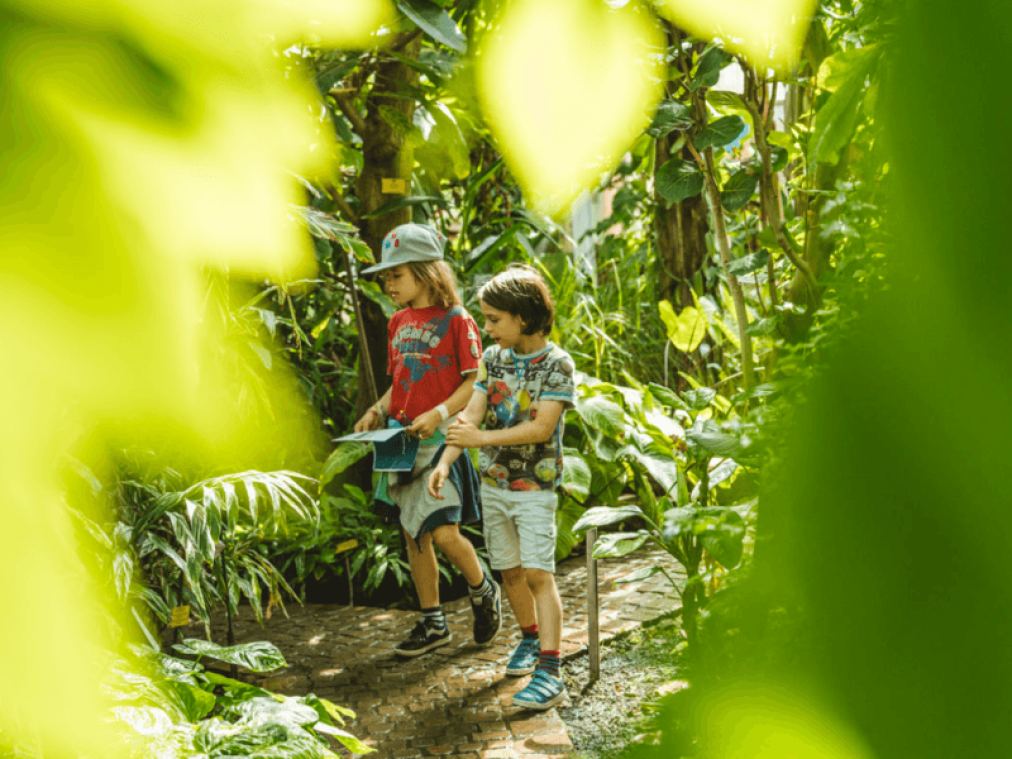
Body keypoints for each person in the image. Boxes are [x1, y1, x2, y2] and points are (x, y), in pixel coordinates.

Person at [427, 264, 576, 711]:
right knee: (509, 571)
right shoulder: (492, 360)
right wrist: (445, 460)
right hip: (495, 486)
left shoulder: (557, 363)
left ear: (524, 317)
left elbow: (540, 427)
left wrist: (478, 441)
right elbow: (469, 417)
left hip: (535, 488)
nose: (486, 327)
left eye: (494, 319)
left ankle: (551, 670)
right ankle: (530, 639)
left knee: (537, 574)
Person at [353, 223, 501, 658]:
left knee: (443, 532)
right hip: (401, 440)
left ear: (425, 271)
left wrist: (437, 412)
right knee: (412, 532)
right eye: (385, 277)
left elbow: (474, 382)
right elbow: (398, 383)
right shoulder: (397, 322)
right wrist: (376, 410)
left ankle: (482, 587)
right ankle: (433, 621)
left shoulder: (459, 320)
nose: (388, 284)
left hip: (441, 441)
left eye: (396, 275)